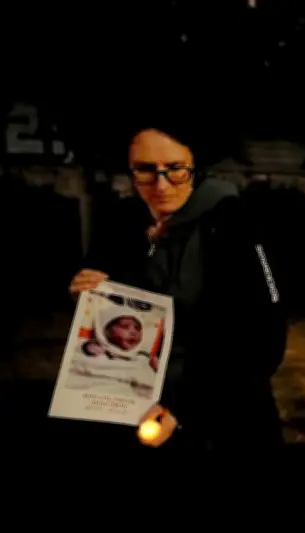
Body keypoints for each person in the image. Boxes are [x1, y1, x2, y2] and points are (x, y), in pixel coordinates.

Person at [66, 111, 287, 456]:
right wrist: (87, 294)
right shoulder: (120, 222)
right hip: (129, 410)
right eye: (145, 170)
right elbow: (106, 317)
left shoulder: (235, 223)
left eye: (175, 169)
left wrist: (184, 409)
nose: (161, 185)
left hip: (220, 425)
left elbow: (263, 342)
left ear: (195, 166)